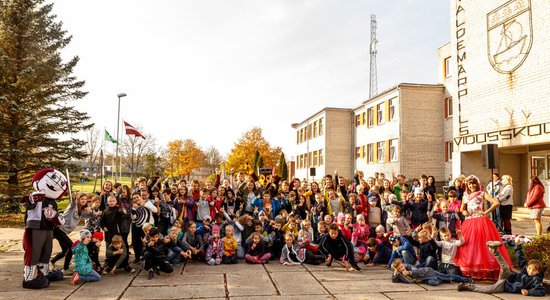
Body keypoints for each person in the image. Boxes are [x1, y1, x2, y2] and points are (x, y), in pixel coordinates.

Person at [455, 175, 512, 280]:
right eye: (470, 184)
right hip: (469, 222)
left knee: (482, 245)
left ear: (477, 184)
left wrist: (485, 212)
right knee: (470, 245)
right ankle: (472, 269)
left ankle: (484, 268)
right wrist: (465, 212)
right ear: (467, 185)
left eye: (473, 183)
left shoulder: (482, 193)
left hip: (481, 221)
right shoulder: (465, 195)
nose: (472, 185)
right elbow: (462, 208)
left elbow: (496, 202)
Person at [458, 239, 546, 297]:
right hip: (508, 276)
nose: (530, 271)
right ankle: (494, 250)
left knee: (488, 290)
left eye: (534, 270)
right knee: (505, 267)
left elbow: (541, 291)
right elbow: (520, 258)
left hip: (505, 286)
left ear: (538, 272)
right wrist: (518, 245)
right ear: (527, 267)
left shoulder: (536, 280)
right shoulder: (525, 268)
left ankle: (467, 286)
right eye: (529, 268)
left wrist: (529, 292)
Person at [391, 258, 472, 286]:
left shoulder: (409, 267)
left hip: (429, 272)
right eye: (399, 269)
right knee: (433, 283)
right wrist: (395, 271)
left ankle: (465, 279)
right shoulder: (400, 273)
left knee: (448, 277)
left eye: (401, 266)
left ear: (403, 264)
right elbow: (395, 280)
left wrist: (409, 273)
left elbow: (418, 272)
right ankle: (442, 278)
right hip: (426, 278)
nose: (401, 269)